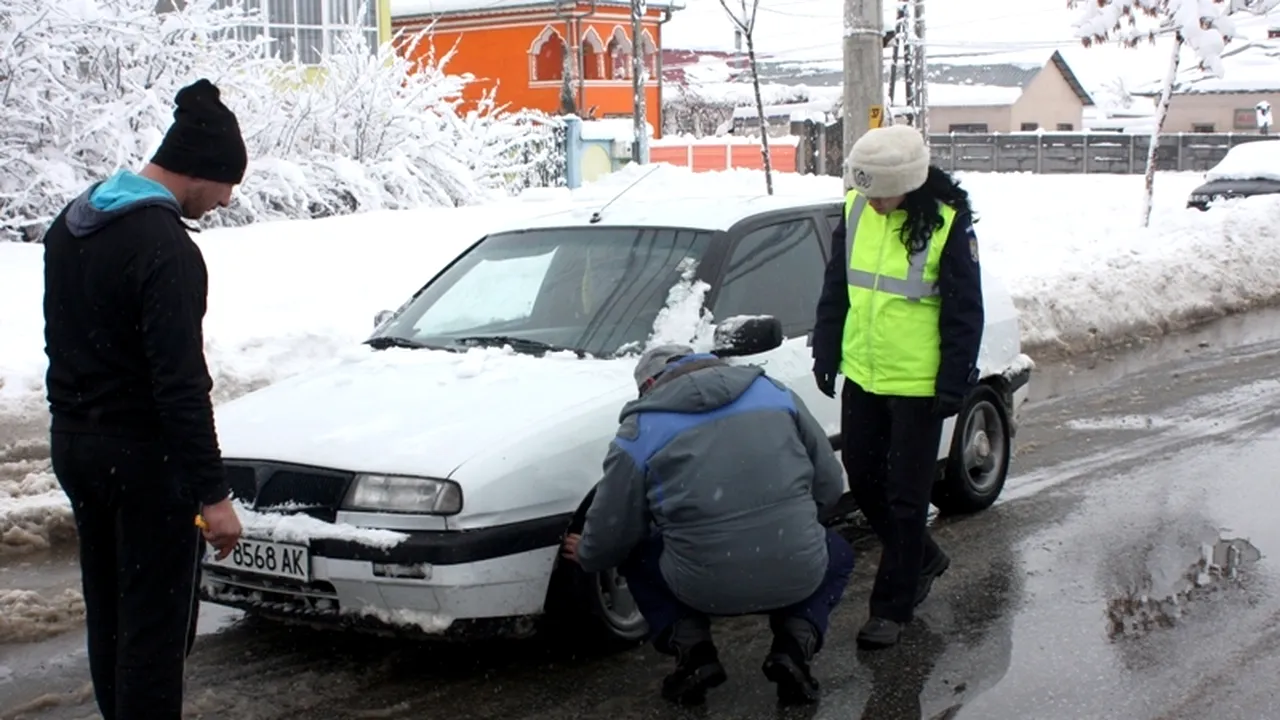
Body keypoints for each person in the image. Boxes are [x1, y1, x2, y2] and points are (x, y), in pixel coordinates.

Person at [42, 78, 247, 720]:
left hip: (76, 444)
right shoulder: (167, 249)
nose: (227, 199)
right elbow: (181, 385)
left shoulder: (71, 225)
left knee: (109, 615)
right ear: (203, 170)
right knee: (155, 633)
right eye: (226, 183)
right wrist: (213, 497)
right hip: (144, 463)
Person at [561, 345, 855, 707]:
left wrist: (589, 552)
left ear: (650, 383)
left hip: (702, 586)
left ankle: (694, 654)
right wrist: (790, 526)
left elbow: (614, 530)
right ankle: (794, 647)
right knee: (837, 553)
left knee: (637, 554)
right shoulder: (776, 395)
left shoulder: (641, 430)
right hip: (797, 569)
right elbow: (829, 485)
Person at [811, 124, 985, 650]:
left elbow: (964, 311)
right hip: (864, 374)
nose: (875, 202)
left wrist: (953, 380)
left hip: (918, 384)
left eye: (883, 193)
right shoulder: (856, 211)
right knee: (863, 481)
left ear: (910, 182)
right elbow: (837, 288)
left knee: (907, 500)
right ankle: (924, 557)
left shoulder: (948, 224)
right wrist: (826, 348)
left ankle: (893, 606)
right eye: (867, 191)